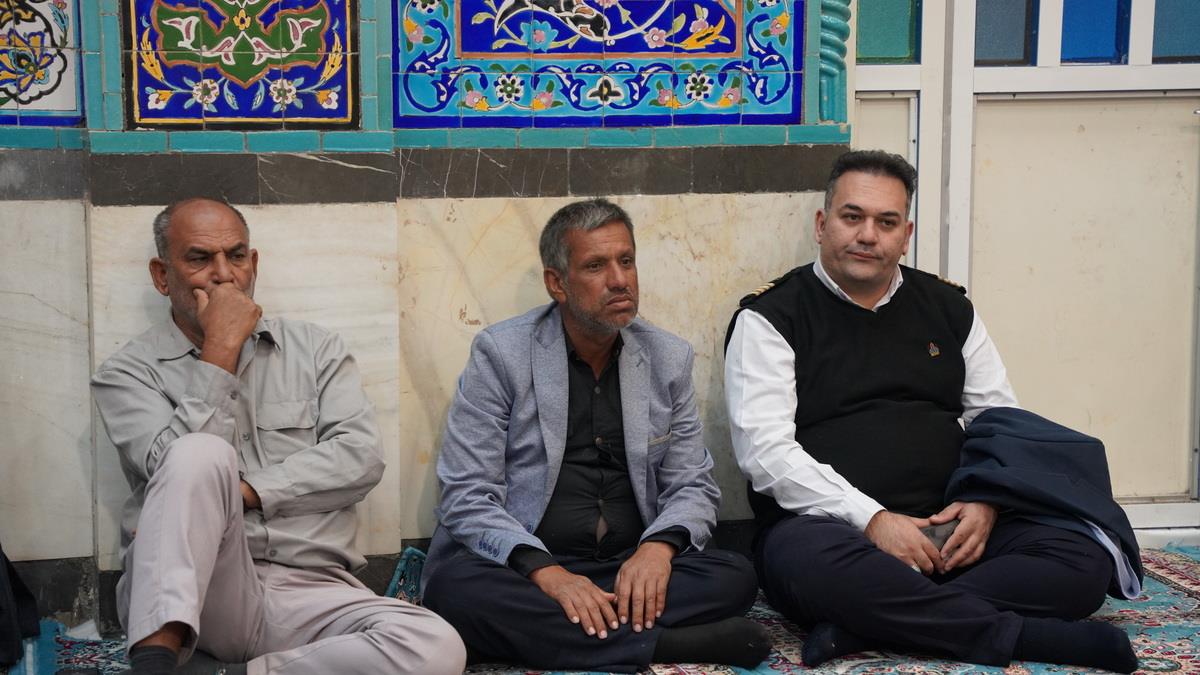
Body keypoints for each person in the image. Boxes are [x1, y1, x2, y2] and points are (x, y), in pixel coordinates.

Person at [723, 150, 1138, 673]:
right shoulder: (770, 317)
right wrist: (873, 520)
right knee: (810, 567)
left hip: (953, 525)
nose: (867, 235)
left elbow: (996, 420)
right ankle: (1020, 634)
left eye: (886, 222)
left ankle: (867, 625)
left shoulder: (949, 307)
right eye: (852, 217)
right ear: (822, 224)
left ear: (906, 234)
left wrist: (985, 501)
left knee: (1084, 559)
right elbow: (765, 454)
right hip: (834, 531)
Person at [92, 198, 465, 675]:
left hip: (310, 589)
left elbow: (360, 458)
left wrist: (244, 493)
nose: (223, 275)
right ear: (162, 276)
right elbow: (174, 470)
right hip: (197, 593)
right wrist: (221, 349)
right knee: (197, 452)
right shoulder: (127, 374)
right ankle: (155, 662)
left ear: (254, 264)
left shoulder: (316, 350)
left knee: (436, 646)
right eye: (200, 259)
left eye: (236, 256)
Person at [422, 198, 770, 673]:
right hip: (530, 569)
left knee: (735, 576)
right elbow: (465, 494)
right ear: (557, 283)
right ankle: (666, 645)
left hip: (627, 566)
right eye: (596, 266)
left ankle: (540, 635)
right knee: (455, 588)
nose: (619, 279)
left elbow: (692, 484)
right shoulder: (500, 354)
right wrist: (548, 574)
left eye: (626, 261)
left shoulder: (667, 357)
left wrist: (657, 550)